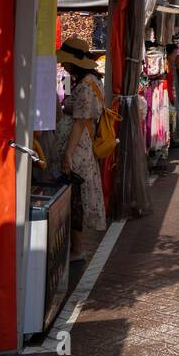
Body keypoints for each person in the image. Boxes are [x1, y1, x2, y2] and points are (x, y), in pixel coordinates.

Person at [55, 38, 108, 237]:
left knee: (75, 194)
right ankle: (76, 246)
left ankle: (77, 248)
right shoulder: (92, 81)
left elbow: (79, 122)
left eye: (66, 61)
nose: (63, 65)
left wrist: (68, 153)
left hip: (78, 147)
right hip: (83, 145)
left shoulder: (86, 86)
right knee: (78, 193)